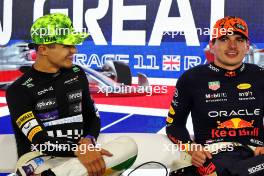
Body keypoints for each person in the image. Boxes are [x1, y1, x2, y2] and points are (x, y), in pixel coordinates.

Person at [6, 13, 113, 176]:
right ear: (43, 49)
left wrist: (88, 141)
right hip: (38, 160)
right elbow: (40, 141)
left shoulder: (77, 73)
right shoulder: (18, 90)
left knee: (129, 146)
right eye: (66, 46)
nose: (74, 50)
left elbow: (92, 117)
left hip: (77, 158)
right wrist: (80, 150)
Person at [166, 16, 264, 176]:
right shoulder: (192, 78)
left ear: (247, 46)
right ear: (211, 46)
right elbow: (174, 125)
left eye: (239, 40)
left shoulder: (260, 75)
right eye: (224, 39)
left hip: (256, 156)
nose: (232, 46)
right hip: (214, 156)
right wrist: (191, 149)